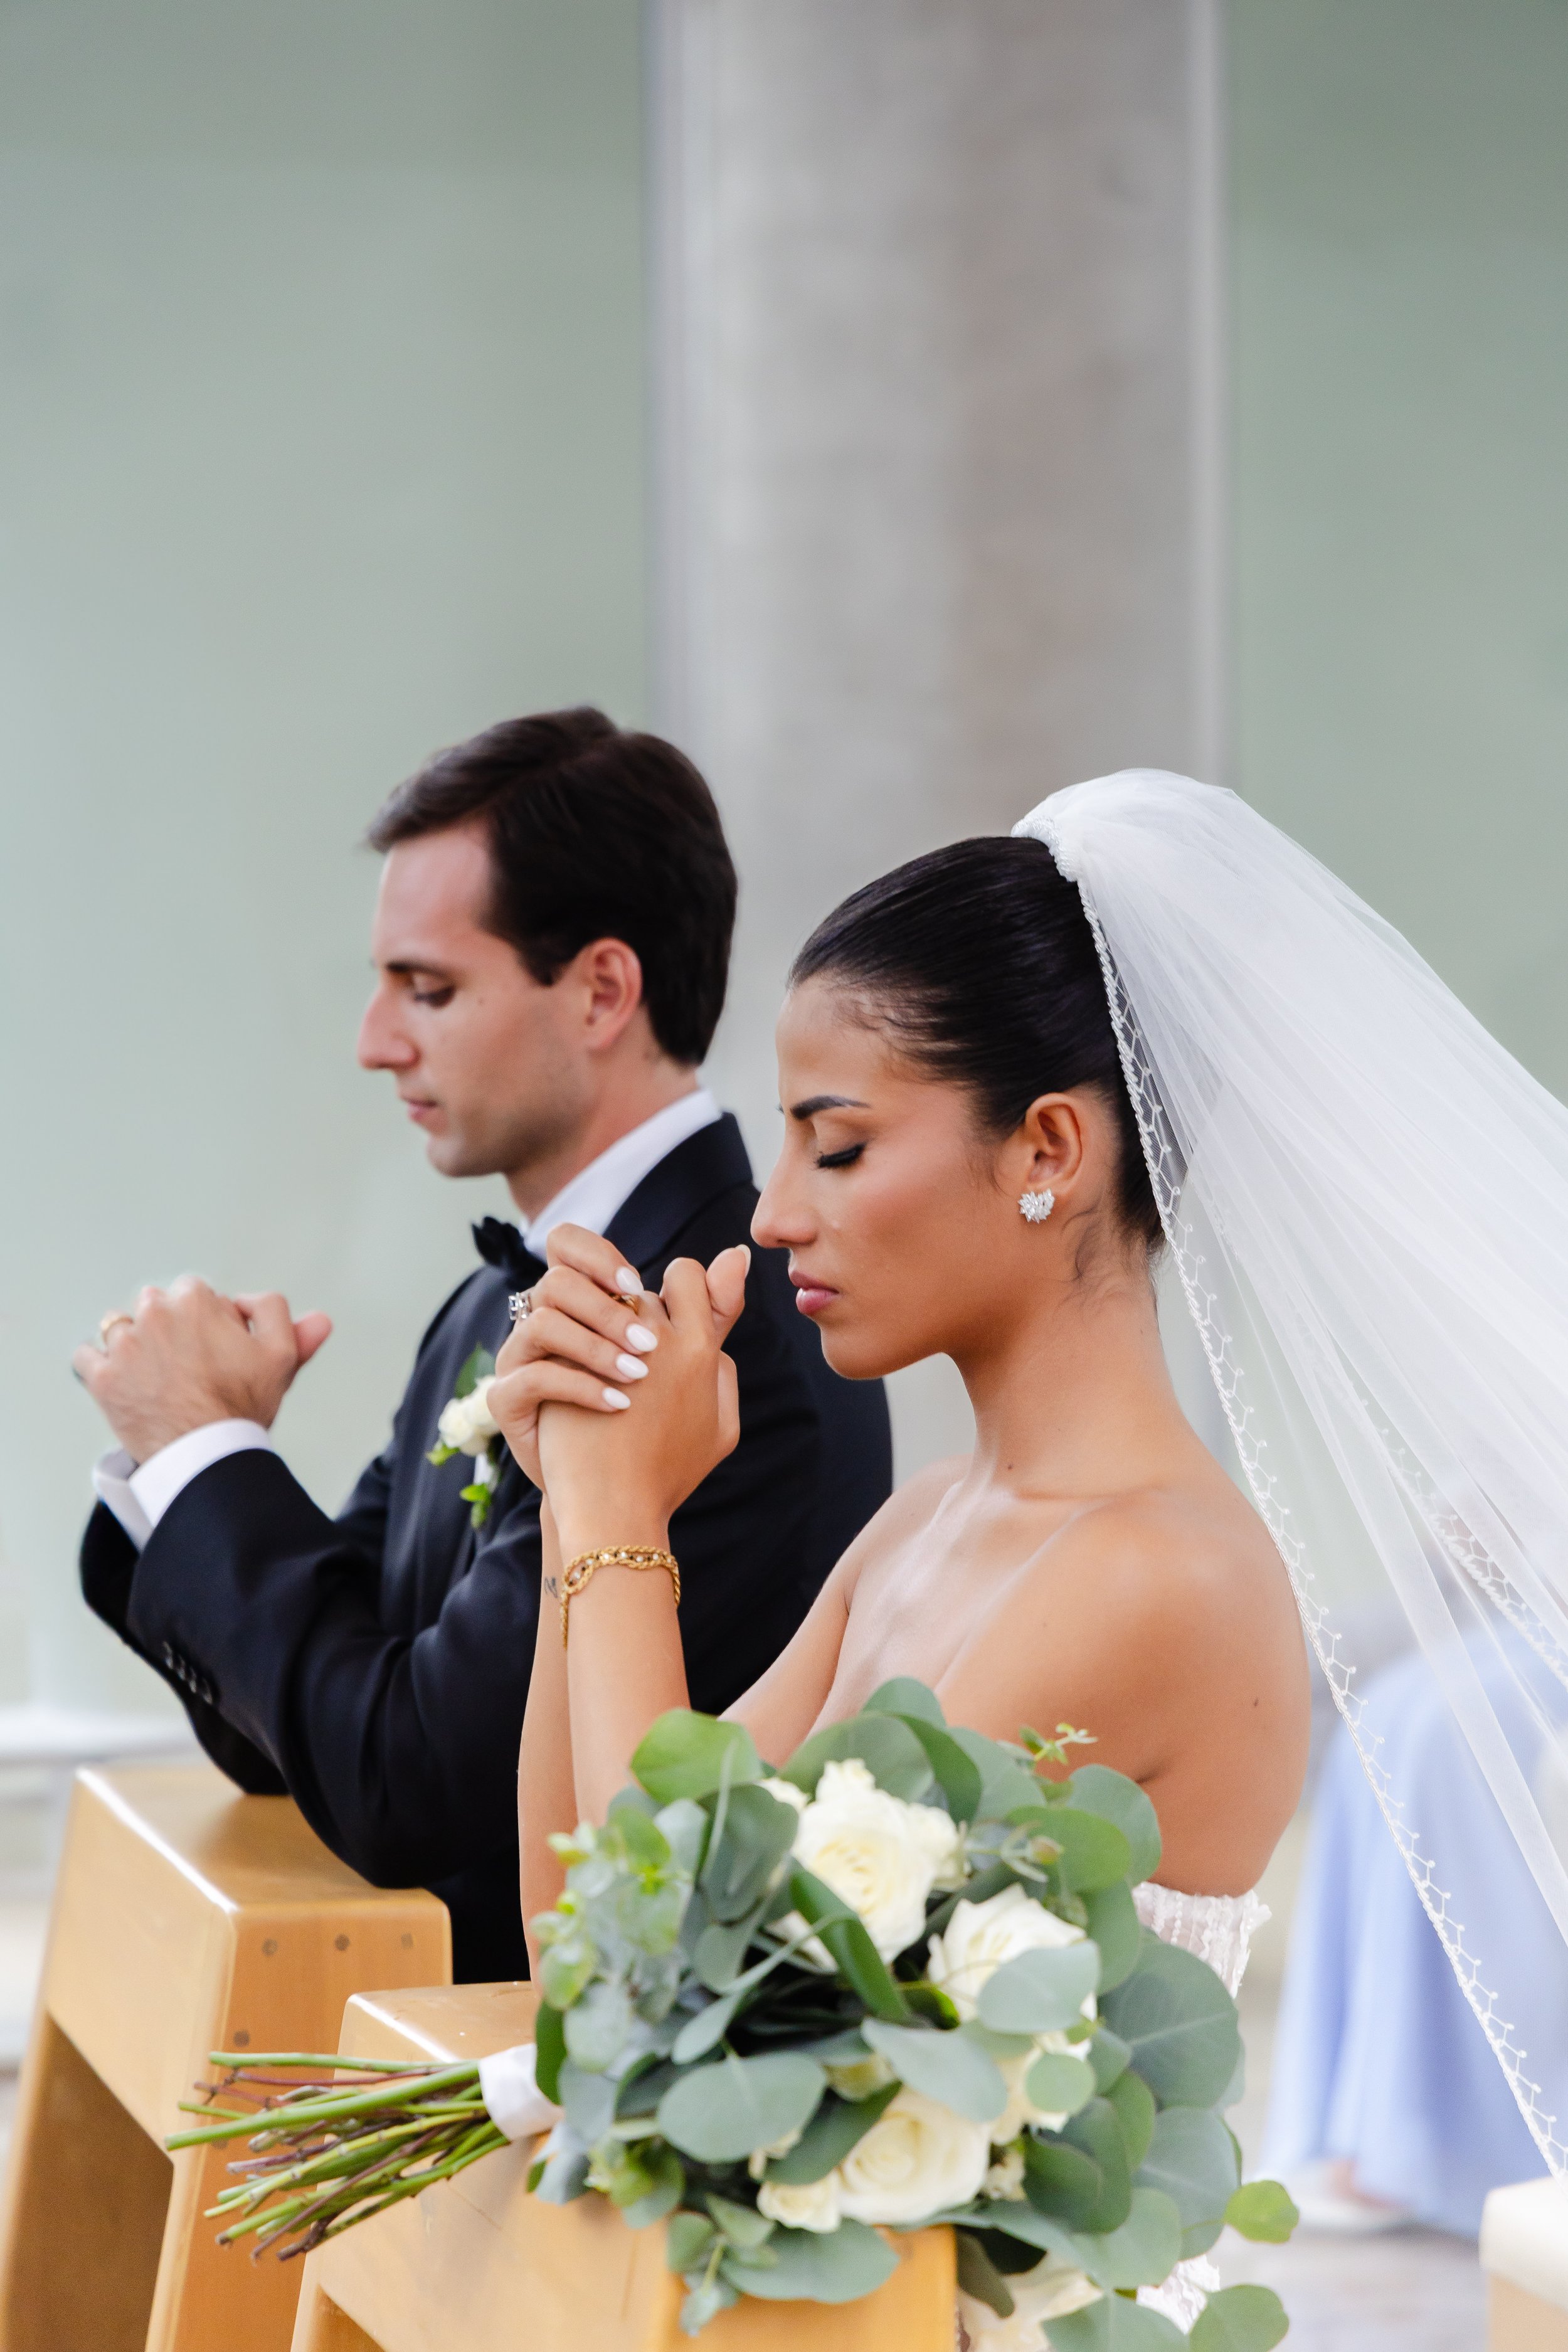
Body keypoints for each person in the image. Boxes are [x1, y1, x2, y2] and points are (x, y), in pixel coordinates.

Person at [494, 768, 1568, 2264]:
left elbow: (663, 2020)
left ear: (1048, 1152)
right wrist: (575, 1517)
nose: (772, 1213)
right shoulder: (922, 1524)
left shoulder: (1161, 1576)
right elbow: (570, 1945)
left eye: (838, 1143)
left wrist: (625, 1519)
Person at [73, 707, 893, 1981]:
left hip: (572, 2065)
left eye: (429, 989)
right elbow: (291, 1740)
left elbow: (406, 1788)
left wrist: (203, 1450)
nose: (374, 1041)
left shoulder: (709, 1319)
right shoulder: (498, 1300)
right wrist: (195, 1462)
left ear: (602, 991)